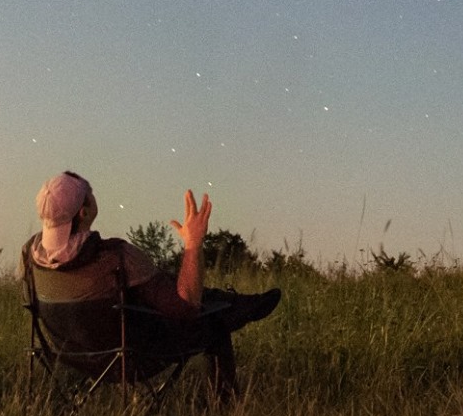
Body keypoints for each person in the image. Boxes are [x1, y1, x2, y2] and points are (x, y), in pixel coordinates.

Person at [21, 170, 280, 399]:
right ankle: (227, 401)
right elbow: (186, 307)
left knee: (170, 286)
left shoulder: (29, 258)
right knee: (213, 319)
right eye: (89, 192)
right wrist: (193, 244)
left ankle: (236, 302)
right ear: (85, 211)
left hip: (73, 358)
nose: (92, 193)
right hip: (131, 359)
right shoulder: (116, 258)